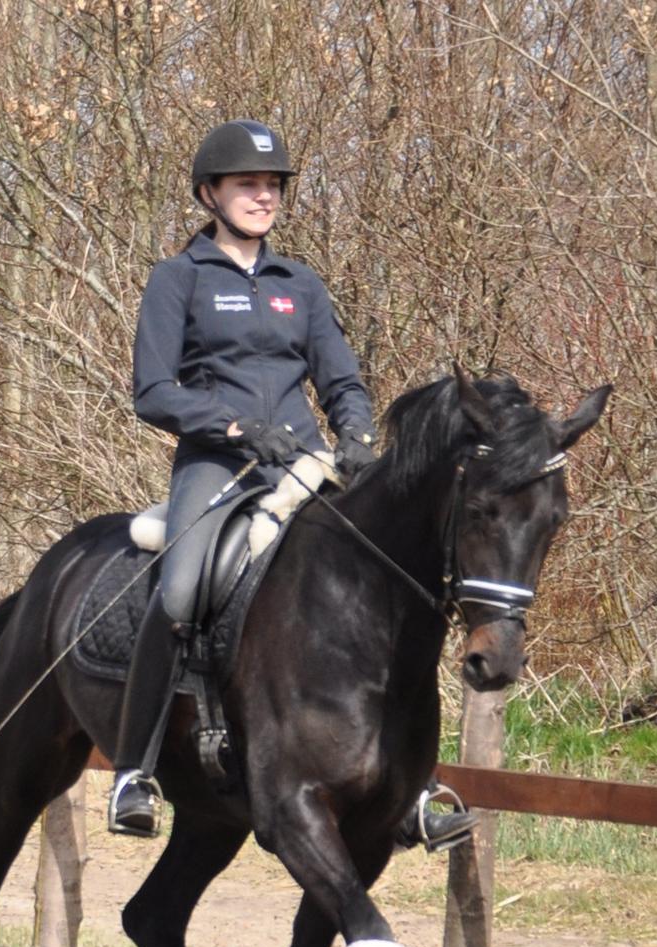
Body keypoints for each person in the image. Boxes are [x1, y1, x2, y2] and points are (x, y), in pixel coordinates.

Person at [109, 119, 475, 856]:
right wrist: (238, 428)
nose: (262, 196)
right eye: (247, 184)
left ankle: (416, 784)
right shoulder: (178, 279)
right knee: (180, 589)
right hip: (220, 463)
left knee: (391, 586)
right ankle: (134, 771)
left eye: (272, 186)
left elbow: (339, 376)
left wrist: (361, 434)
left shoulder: (298, 283)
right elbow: (152, 390)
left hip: (306, 463)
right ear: (210, 193)